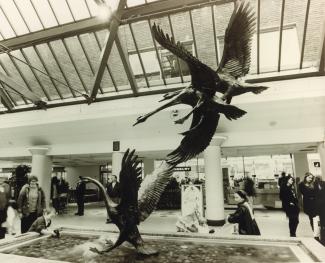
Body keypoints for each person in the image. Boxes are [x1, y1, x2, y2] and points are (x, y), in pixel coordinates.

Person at [314, 177, 325, 245]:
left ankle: (323, 240)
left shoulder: (319, 190)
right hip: (322, 209)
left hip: (321, 210)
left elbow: (318, 201)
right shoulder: (322, 187)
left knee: (322, 225)